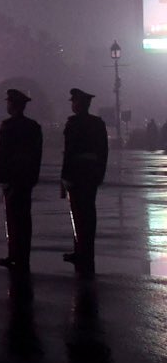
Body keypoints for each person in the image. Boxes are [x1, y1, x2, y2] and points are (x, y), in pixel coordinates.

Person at [61, 88, 108, 275]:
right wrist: (99, 174)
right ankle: (84, 250)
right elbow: (103, 151)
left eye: (74, 101)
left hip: (76, 174)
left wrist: (65, 176)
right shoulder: (97, 123)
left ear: (79, 104)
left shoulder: (73, 124)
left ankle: (82, 251)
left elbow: (69, 152)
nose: (73, 104)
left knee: (78, 214)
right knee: (87, 215)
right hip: (90, 174)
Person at [0, 89, 43, 271]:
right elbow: (37, 154)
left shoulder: (8, 126)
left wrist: (2, 177)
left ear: (12, 105)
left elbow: (3, 154)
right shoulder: (33, 127)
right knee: (24, 218)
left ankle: (14, 254)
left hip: (12, 177)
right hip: (26, 178)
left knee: (13, 218)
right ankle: (23, 255)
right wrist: (33, 176)